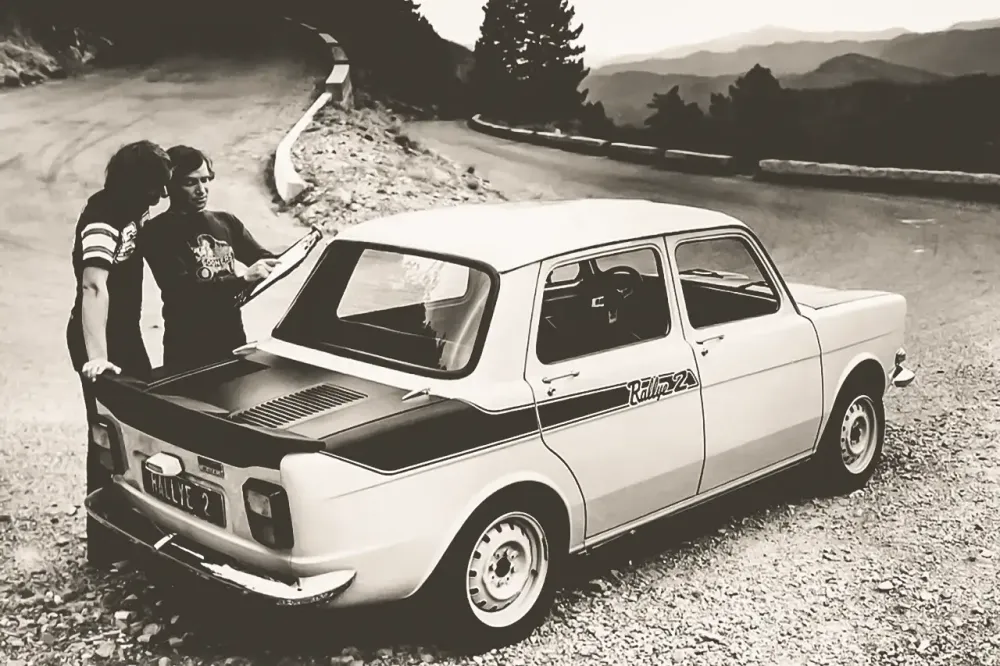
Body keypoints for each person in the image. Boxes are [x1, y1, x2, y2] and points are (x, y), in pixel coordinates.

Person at [66, 139, 173, 568]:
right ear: (135, 183)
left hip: (126, 337)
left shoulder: (134, 209)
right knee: (107, 438)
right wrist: (98, 356)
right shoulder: (103, 218)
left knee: (140, 430)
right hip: (100, 342)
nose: (161, 196)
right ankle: (105, 547)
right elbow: (93, 286)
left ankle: (138, 529)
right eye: (155, 187)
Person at [142, 145, 278, 372]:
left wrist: (287, 258)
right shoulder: (157, 232)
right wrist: (243, 279)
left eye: (205, 180)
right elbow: (184, 291)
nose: (201, 190)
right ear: (169, 186)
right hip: (188, 348)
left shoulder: (226, 222)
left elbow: (262, 257)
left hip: (233, 340)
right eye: (190, 182)